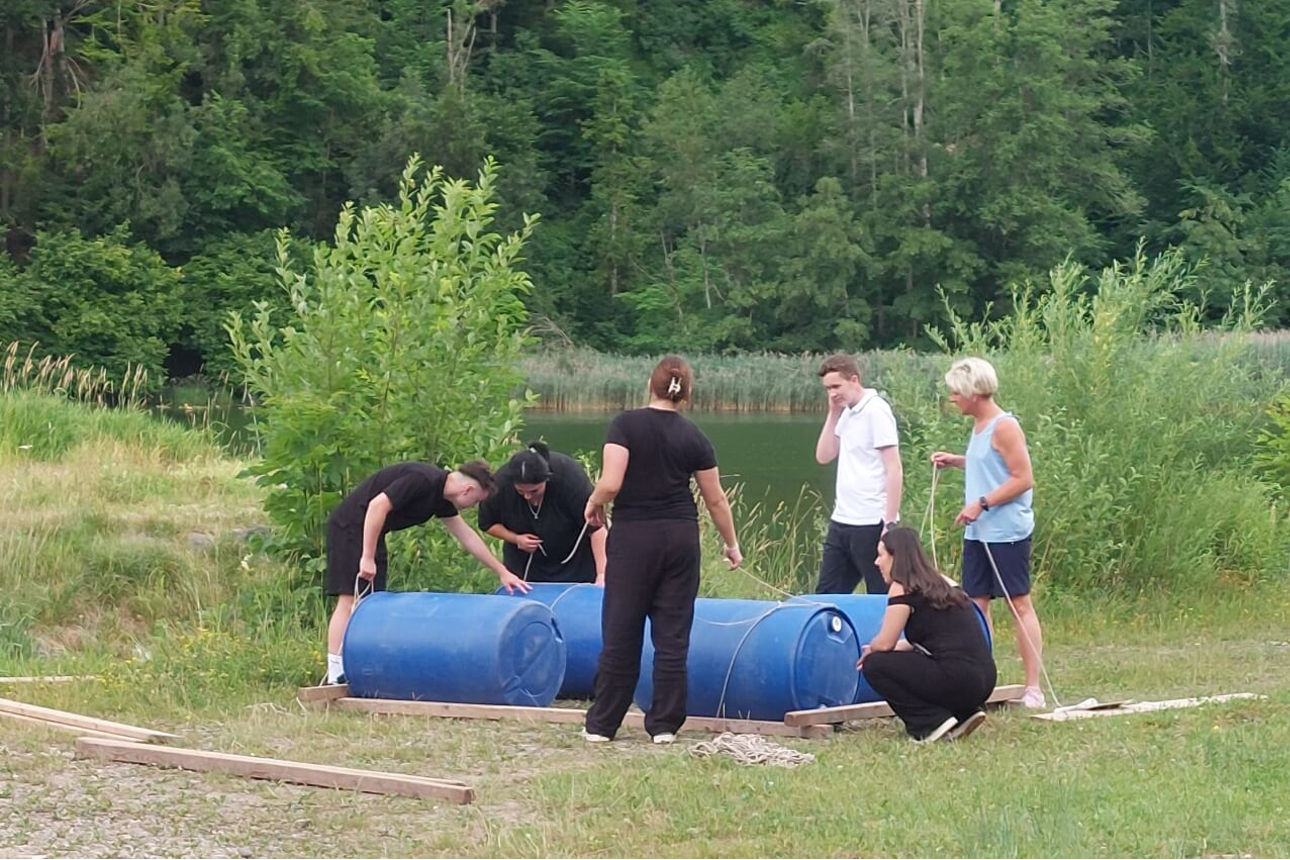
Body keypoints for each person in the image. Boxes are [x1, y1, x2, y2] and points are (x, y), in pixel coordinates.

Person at [581, 356, 743, 744]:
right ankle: (665, 725)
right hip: (680, 537)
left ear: (649, 386)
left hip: (634, 538)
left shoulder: (625, 424)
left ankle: (603, 724)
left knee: (622, 629)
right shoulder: (694, 436)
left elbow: (611, 483)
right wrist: (732, 544)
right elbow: (716, 499)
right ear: (686, 394)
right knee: (672, 636)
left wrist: (593, 502)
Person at [323, 460, 531, 684]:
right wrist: (367, 556)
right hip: (350, 526)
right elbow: (377, 505)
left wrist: (501, 571)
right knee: (349, 598)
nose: (473, 506)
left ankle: (356, 665)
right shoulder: (422, 479)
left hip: (373, 532)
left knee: (368, 601)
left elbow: (467, 535)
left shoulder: (441, 497)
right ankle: (335, 671)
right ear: (467, 490)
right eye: (476, 501)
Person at [931, 356, 1046, 709]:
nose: (952, 398)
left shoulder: (1004, 426)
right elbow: (991, 464)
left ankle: (1033, 688)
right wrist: (957, 461)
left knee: (1018, 603)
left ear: (974, 393)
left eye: (956, 392)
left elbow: (1023, 478)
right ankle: (980, 683)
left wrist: (981, 503)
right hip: (978, 533)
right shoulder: (979, 426)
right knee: (976, 605)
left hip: (1006, 531)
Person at [859, 526, 997, 743]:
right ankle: (963, 714)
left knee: (875, 665)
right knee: (921, 662)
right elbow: (931, 638)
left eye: (881, 555)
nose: (877, 562)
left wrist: (871, 650)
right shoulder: (944, 583)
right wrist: (896, 648)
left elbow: (885, 643)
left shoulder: (902, 586)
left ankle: (929, 723)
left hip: (958, 678)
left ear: (896, 556)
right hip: (985, 679)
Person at [814, 353, 904, 595]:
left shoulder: (876, 410)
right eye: (828, 389)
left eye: (836, 386)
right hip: (842, 519)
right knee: (827, 593)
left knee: (880, 592)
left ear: (854, 380)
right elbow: (824, 456)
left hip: (870, 521)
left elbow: (894, 468)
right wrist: (833, 413)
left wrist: (889, 522)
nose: (832, 393)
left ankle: (893, 623)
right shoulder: (847, 412)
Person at [478, 441, 608, 585]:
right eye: (521, 491)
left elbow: (597, 529)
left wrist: (602, 574)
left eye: (534, 491)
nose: (527, 496)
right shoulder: (500, 484)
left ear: (547, 479)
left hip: (576, 560)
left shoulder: (570, 478)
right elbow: (487, 523)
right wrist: (516, 538)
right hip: (525, 563)